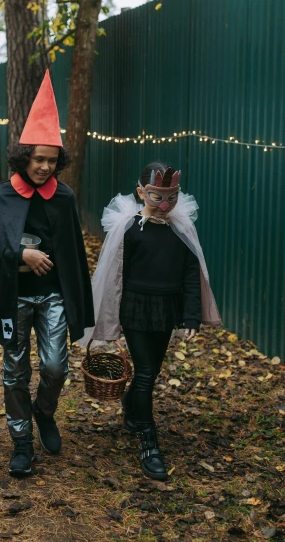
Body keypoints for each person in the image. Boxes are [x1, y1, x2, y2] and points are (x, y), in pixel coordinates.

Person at [0, 70, 94, 476]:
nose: (44, 167)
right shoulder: (1, 196)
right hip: (12, 296)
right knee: (14, 369)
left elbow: (72, 253)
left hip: (53, 294)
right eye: (38, 159)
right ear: (24, 157)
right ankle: (21, 441)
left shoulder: (64, 197)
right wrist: (22, 253)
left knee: (56, 366)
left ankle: (44, 411)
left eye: (52, 161)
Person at [79, 162, 221, 481]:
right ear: (142, 192)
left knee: (152, 371)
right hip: (135, 309)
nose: (164, 204)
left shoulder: (181, 229)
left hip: (166, 309)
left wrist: (191, 316)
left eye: (172, 197)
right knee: (144, 371)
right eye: (157, 196)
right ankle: (148, 440)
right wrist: (111, 315)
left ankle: (131, 404)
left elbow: (190, 273)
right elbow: (115, 274)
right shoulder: (129, 228)